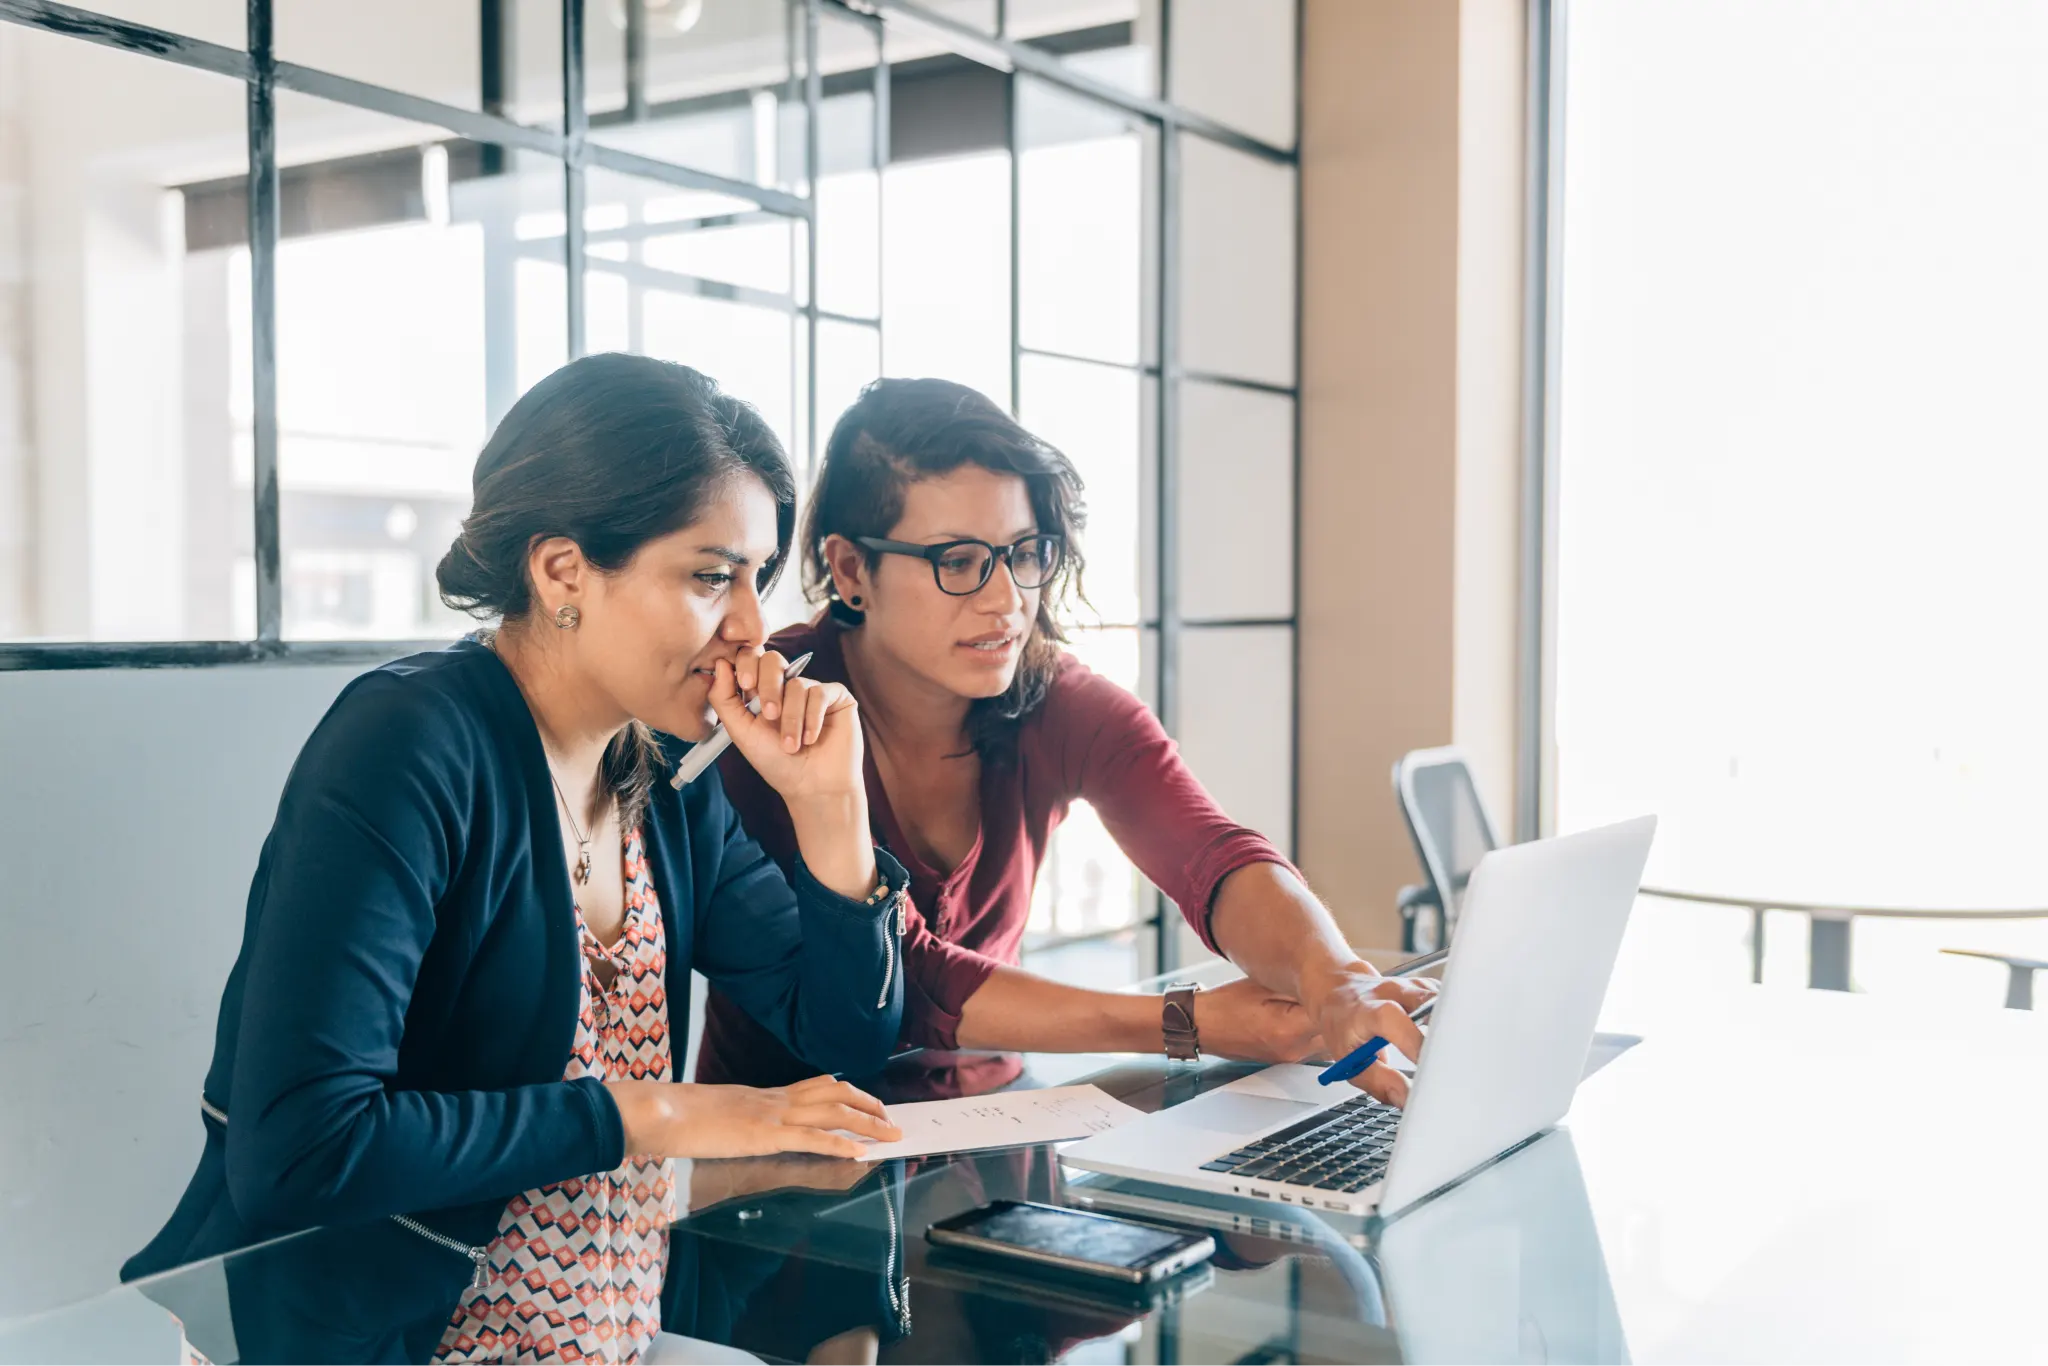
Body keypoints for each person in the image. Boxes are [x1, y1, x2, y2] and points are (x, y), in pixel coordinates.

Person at [124, 355, 915, 1366]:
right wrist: (651, 1112)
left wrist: (830, 809)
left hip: (609, 1340)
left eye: (757, 577)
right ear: (561, 572)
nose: (753, 630)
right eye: (711, 576)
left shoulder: (663, 771)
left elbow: (845, 1029)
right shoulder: (408, 745)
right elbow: (303, 1148)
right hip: (400, 1346)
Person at [697, 378, 1432, 1107]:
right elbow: (910, 981)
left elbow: (1211, 852)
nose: (1006, 598)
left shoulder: (1051, 697)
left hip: (997, 1121)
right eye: (958, 561)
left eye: (1025, 552)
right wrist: (1186, 1022)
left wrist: (1334, 979)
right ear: (853, 570)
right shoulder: (768, 714)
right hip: (785, 1161)